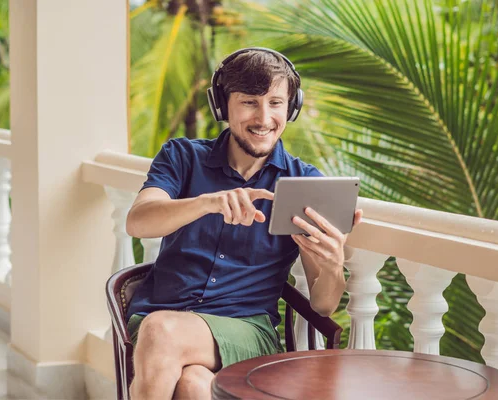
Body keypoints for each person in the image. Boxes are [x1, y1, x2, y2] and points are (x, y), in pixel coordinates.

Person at [125, 47, 363, 400]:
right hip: (165, 313)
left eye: (276, 103)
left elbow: (325, 305)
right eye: (249, 102)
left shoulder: (303, 183)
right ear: (223, 106)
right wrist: (207, 203)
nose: (264, 118)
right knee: (194, 385)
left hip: (246, 330)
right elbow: (138, 222)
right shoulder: (182, 157)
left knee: (161, 331)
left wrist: (332, 265)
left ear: (291, 107)